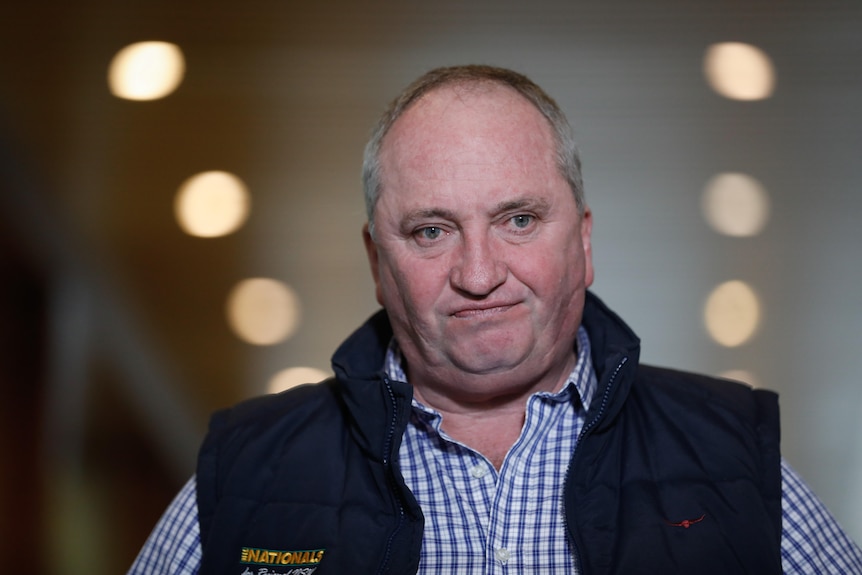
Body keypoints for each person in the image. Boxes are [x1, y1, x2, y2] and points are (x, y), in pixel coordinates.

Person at [129, 65, 862, 574]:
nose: (478, 274)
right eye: (429, 231)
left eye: (518, 219)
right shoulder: (244, 477)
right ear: (377, 263)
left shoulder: (735, 462)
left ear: (582, 240)